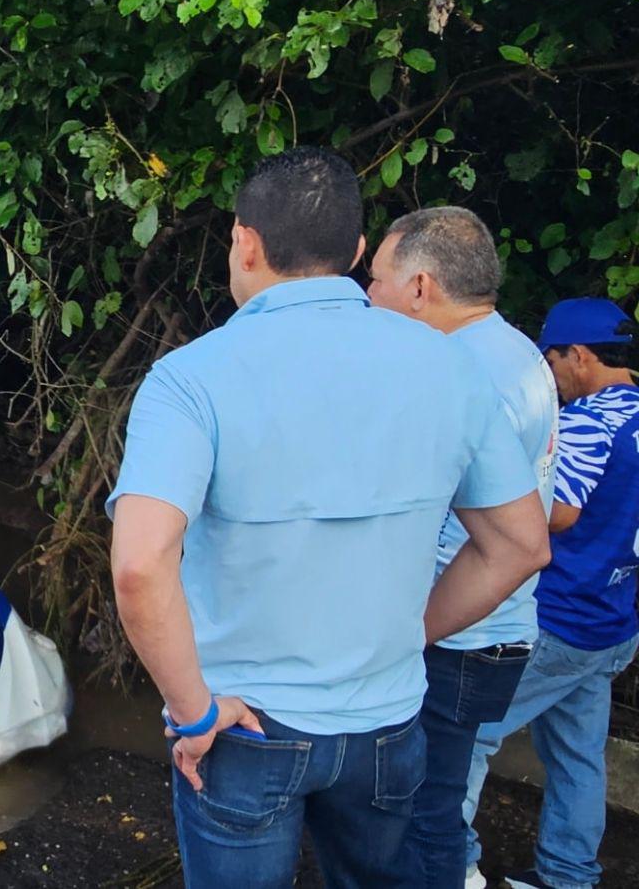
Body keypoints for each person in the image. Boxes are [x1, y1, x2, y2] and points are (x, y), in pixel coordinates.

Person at [107, 147, 551, 889]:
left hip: (245, 730)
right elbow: (519, 545)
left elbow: (139, 564)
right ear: (353, 252)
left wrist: (192, 714)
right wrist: (409, 636)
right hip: (387, 724)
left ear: (244, 242)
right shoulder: (451, 366)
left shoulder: (190, 378)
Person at [367, 206, 560, 888]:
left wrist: (406, 632)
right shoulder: (517, 353)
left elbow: (493, 538)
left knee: (423, 814)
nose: (369, 297)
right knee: (437, 806)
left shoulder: (459, 373)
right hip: (494, 628)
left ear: (420, 287)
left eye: (377, 280)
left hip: (456, 633)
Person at [463, 299, 639, 889]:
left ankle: (452, 866)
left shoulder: (594, 418)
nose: (551, 376)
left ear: (579, 356)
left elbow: (556, 515)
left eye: (553, 360)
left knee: (470, 736)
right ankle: (567, 876)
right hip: (615, 620)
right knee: (577, 752)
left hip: (561, 619)